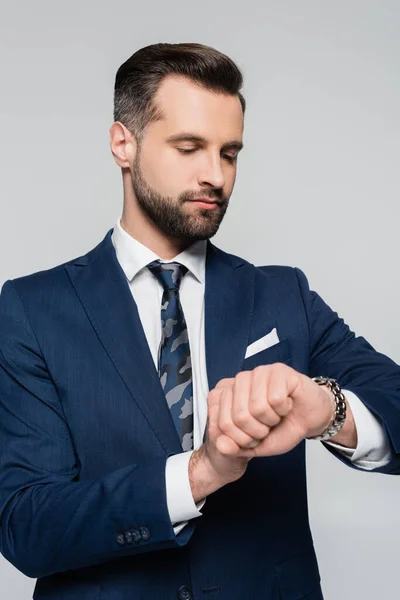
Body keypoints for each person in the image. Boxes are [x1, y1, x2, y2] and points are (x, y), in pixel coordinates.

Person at [0, 42, 399, 600]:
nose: (215, 174)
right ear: (123, 144)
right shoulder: (31, 309)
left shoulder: (284, 295)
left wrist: (326, 410)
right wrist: (199, 473)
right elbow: (27, 526)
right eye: (189, 148)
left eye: (229, 153)